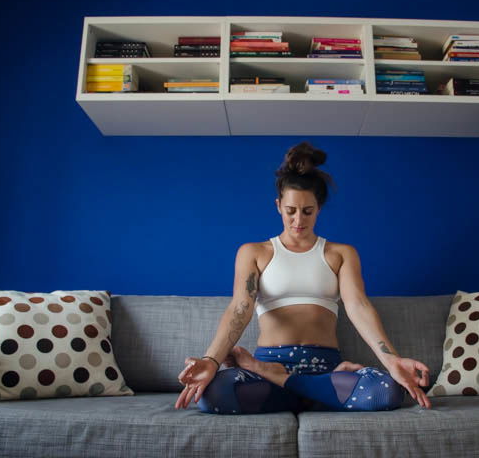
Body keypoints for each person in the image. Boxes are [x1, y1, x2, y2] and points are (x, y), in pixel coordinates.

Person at [174, 142, 432, 414]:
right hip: (275, 364)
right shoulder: (254, 252)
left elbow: (358, 306)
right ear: (278, 206)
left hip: (326, 369)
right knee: (212, 393)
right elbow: (240, 307)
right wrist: (211, 360)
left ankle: (286, 382)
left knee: (386, 391)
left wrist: (392, 361)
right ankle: (311, 393)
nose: (298, 220)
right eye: (291, 211)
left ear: (319, 207)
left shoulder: (341, 254)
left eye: (307, 211)